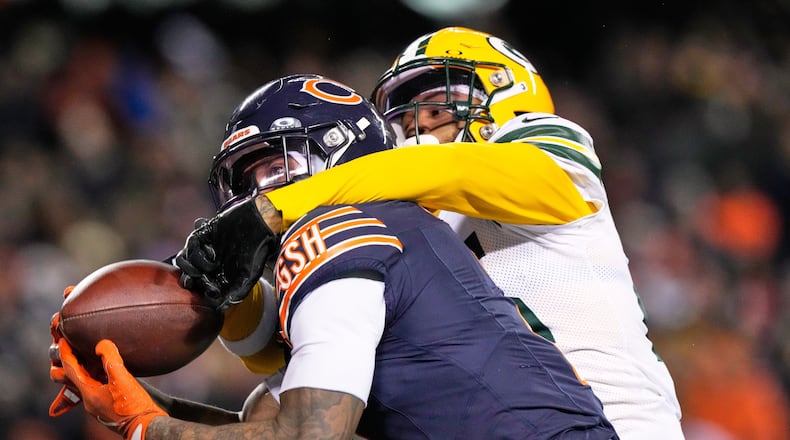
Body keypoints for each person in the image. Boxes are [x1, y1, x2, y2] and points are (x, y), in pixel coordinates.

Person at [50, 74, 618, 439]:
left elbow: (307, 437)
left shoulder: (336, 231)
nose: (260, 196)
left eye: (276, 168)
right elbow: (265, 426)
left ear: (342, 154)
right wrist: (145, 403)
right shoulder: (386, 243)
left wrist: (146, 429)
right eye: (248, 182)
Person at [200, 28, 685, 439]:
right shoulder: (400, 222)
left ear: (505, 90)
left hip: (622, 423)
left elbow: (442, 170)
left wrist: (276, 207)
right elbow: (282, 349)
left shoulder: (542, 148)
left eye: (436, 104)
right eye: (404, 116)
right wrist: (222, 288)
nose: (418, 125)